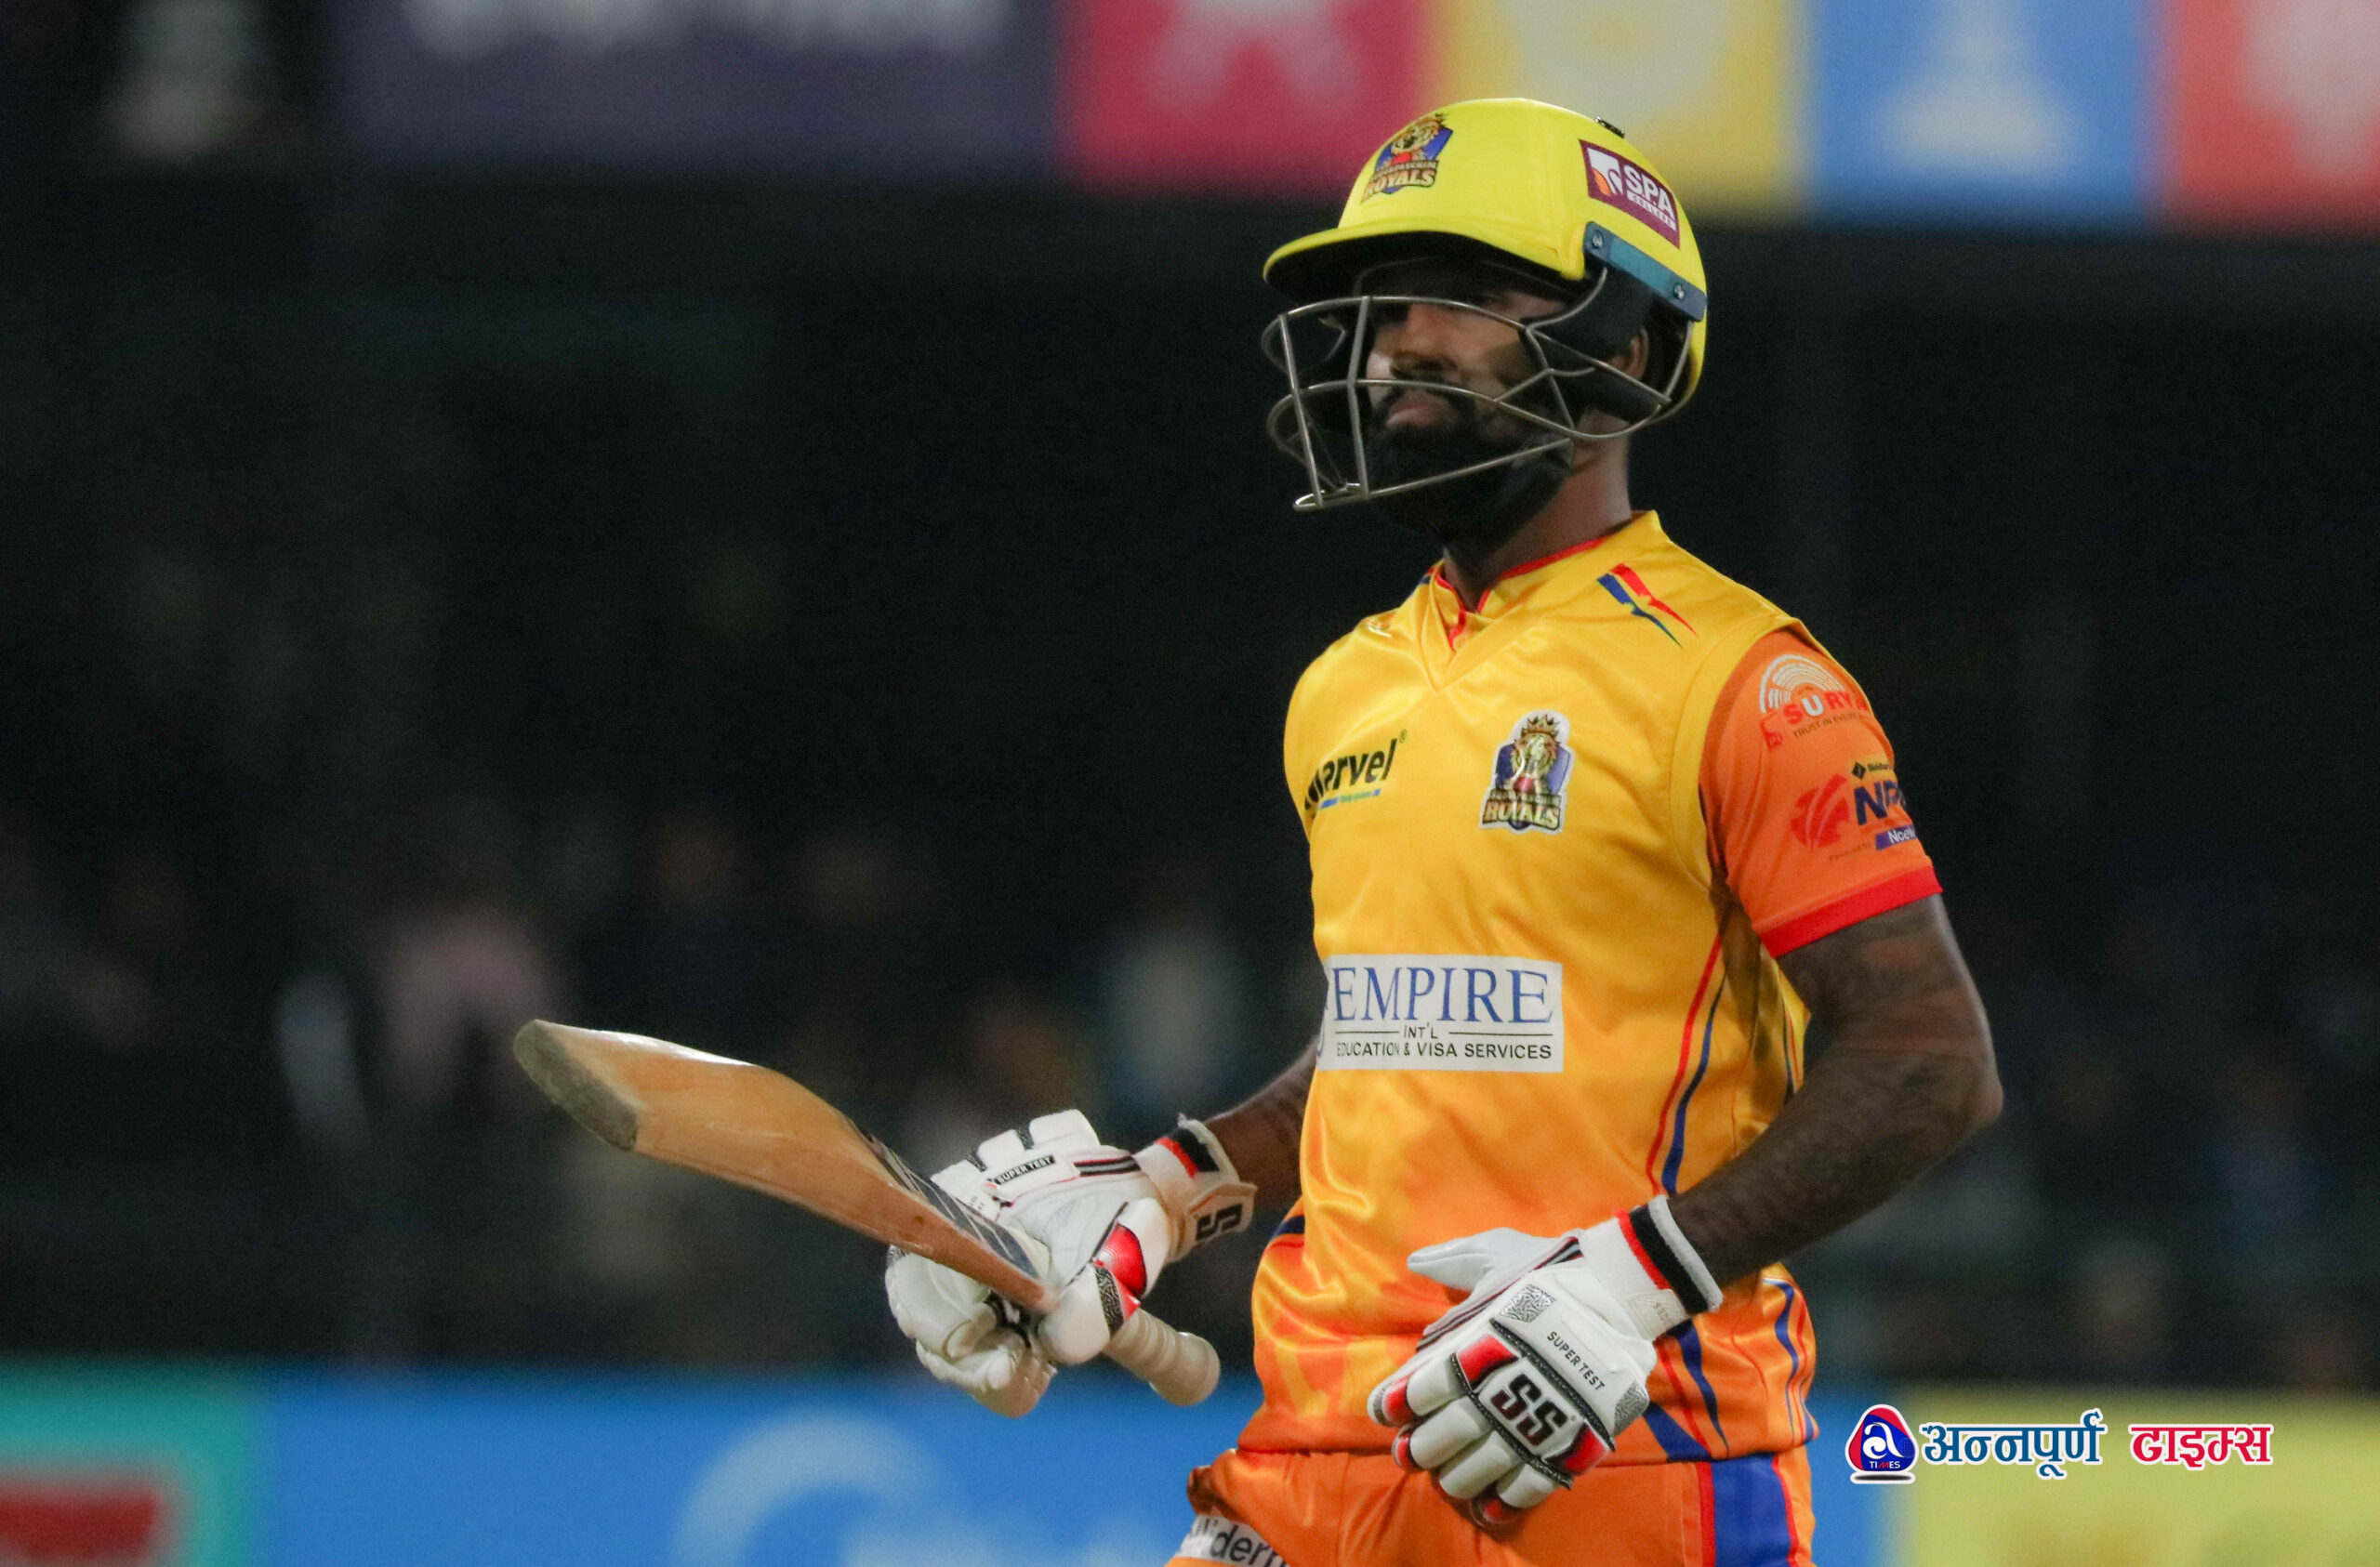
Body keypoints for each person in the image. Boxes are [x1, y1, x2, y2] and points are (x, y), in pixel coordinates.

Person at [885, 98, 2001, 1566]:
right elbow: (1391, 1045)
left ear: (1630, 347)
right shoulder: (1343, 687)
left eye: (1466, 293)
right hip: (1315, 1466)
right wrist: (1168, 1187)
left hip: (1627, 1458)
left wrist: (1635, 1281)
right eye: (1386, 301)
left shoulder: (1749, 683)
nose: (1400, 339)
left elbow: (1929, 1057)